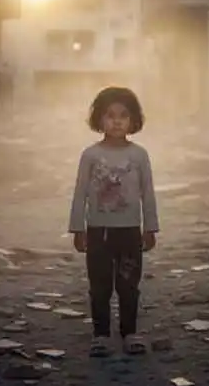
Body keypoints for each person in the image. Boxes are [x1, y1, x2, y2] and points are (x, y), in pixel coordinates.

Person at [67, 86, 160, 357]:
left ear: (133, 120)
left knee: (129, 284)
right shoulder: (90, 155)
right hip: (99, 231)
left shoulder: (139, 155)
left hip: (130, 231)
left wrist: (150, 228)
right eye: (110, 115)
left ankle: (130, 333)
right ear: (99, 118)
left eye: (123, 115)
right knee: (100, 286)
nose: (117, 121)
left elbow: (148, 193)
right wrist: (78, 229)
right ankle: (101, 335)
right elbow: (80, 193)